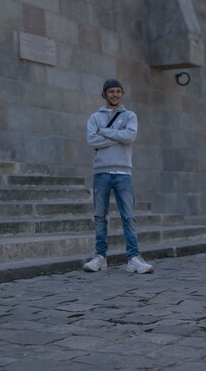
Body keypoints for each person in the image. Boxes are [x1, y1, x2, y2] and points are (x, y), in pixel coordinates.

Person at [83, 79, 153, 274]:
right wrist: (117, 134)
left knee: (128, 216)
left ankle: (133, 258)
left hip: (123, 172)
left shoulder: (130, 115)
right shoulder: (95, 117)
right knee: (100, 216)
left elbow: (130, 137)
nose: (115, 95)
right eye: (111, 92)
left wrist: (104, 133)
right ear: (104, 94)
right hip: (101, 172)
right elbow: (91, 139)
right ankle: (100, 257)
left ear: (122, 94)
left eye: (118, 91)